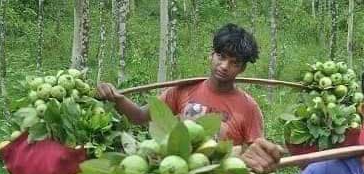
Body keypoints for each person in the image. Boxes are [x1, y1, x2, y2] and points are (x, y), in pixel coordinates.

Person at [97, 23, 263, 146]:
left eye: (234, 62)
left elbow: (255, 154)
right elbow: (140, 116)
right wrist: (116, 99)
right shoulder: (183, 90)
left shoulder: (248, 108)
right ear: (211, 55)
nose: (224, 66)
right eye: (221, 56)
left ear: (242, 68)